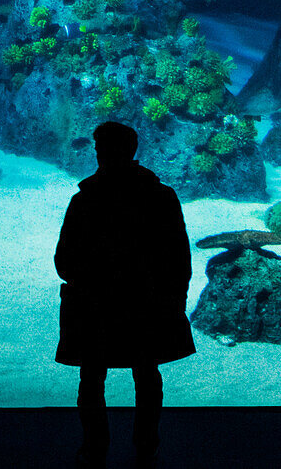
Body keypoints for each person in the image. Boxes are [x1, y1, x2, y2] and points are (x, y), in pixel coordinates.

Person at [54, 122, 195, 469]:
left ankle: (94, 449)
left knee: (92, 378)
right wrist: (174, 300)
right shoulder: (162, 197)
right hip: (148, 306)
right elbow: (180, 260)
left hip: (95, 307)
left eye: (101, 149)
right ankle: (147, 447)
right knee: (147, 375)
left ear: (104, 152)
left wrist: (92, 283)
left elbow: (64, 261)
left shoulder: (84, 200)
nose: (100, 155)